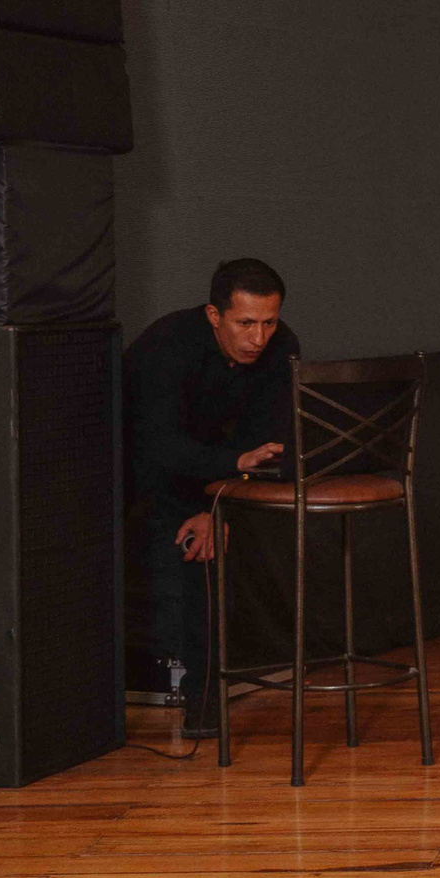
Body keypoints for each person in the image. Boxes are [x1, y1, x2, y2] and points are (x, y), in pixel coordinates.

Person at [123, 258, 299, 737]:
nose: (258, 338)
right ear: (214, 315)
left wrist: (214, 504)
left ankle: (210, 703)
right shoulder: (167, 347)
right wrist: (208, 499)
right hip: (132, 472)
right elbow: (156, 447)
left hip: (221, 477)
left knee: (220, 543)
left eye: (268, 322)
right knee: (196, 553)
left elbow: (266, 444)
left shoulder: (282, 347)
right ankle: (201, 708)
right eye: (245, 323)